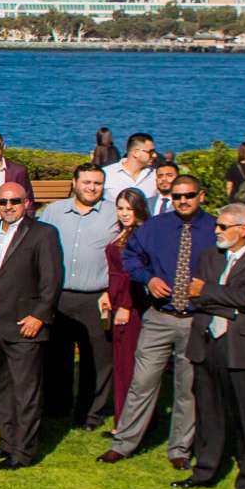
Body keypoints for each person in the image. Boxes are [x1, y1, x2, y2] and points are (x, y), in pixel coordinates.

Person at [174, 201, 245, 489]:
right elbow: (191, 296)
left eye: (222, 226)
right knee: (209, 412)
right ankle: (205, 470)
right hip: (207, 342)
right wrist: (235, 308)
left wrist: (208, 292)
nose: (216, 231)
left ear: (244, 230)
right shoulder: (210, 256)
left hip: (241, 347)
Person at [113, 175, 213, 470]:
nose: (183, 200)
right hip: (160, 316)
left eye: (189, 195)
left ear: (201, 195)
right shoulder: (156, 227)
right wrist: (149, 279)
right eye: (177, 196)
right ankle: (124, 443)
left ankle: (180, 448)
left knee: (187, 386)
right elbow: (130, 258)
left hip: (195, 319)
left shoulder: (213, 229)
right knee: (142, 382)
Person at [0, 182, 61, 470]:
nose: (8, 206)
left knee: (25, 391)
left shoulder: (43, 234)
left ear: (27, 203)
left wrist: (39, 315)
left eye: (14, 201)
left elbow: (52, 281)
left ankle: (23, 452)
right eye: (3, 202)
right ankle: (6, 441)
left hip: (26, 325)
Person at [40, 163, 116, 430]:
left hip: (96, 297)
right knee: (56, 356)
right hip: (59, 295)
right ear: (74, 182)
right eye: (86, 182)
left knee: (96, 359)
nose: (92, 188)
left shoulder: (113, 213)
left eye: (97, 183)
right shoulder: (54, 211)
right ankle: (56, 407)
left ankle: (91, 413)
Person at [96, 190, 151, 458]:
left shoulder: (141, 236)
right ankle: (122, 420)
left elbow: (136, 275)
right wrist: (107, 294)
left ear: (140, 209)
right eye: (120, 208)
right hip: (115, 299)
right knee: (120, 365)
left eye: (129, 208)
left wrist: (127, 306)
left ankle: (130, 425)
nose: (124, 213)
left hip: (131, 305)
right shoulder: (121, 233)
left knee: (131, 367)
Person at [101, 131, 159, 209]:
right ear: (135, 152)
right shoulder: (107, 174)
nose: (155, 155)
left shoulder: (155, 175)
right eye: (150, 152)